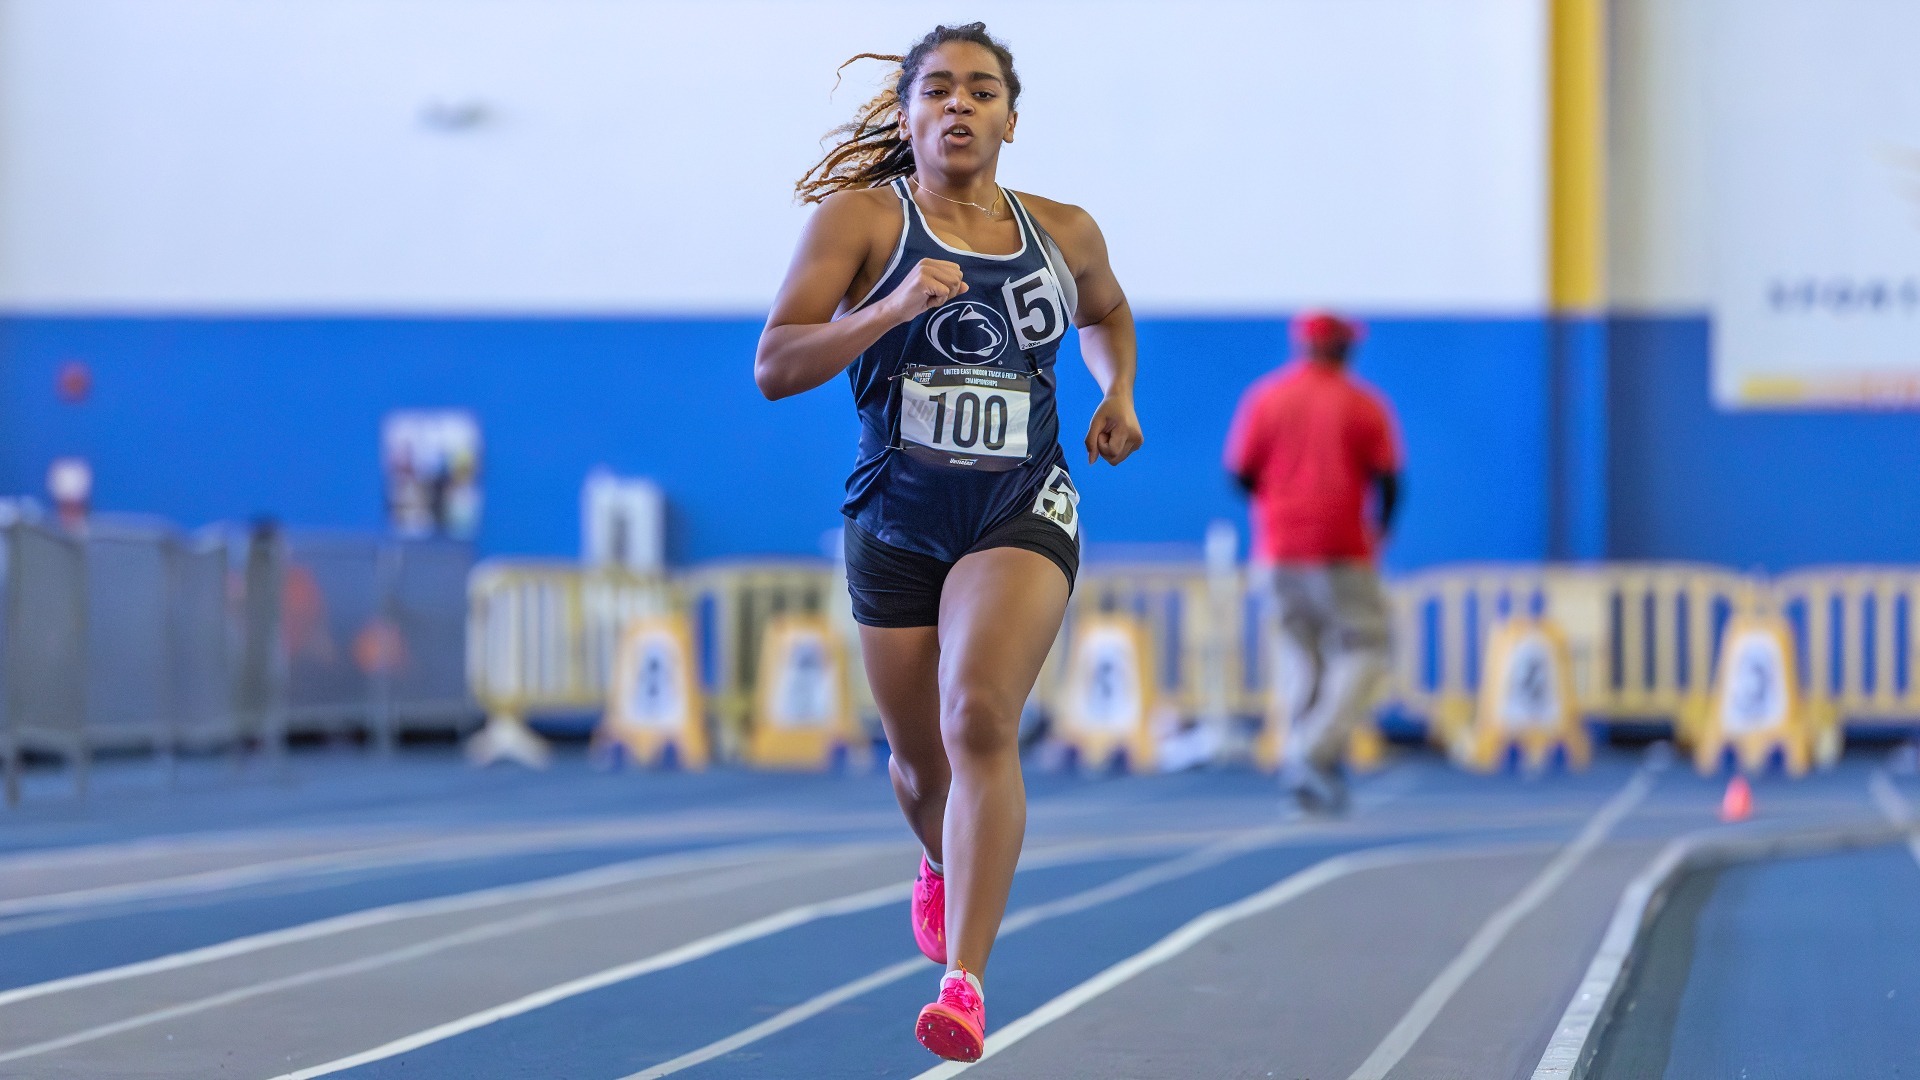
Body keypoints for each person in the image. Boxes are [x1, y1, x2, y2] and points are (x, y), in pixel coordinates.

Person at [754, 23, 1143, 1063]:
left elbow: (1108, 311)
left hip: (1019, 505)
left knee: (977, 718)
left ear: (1012, 118)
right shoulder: (862, 221)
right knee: (921, 767)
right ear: (907, 114)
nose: (959, 105)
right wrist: (884, 311)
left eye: (980, 90)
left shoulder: (1063, 231)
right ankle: (940, 860)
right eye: (937, 89)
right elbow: (776, 365)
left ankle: (963, 983)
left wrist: (1118, 393)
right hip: (895, 517)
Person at [1224, 312, 1401, 814]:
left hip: (1278, 550)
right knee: (1368, 648)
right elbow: (1389, 482)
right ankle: (1314, 752)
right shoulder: (1364, 403)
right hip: (1343, 548)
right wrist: (1379, 531)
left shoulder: (1266, 398)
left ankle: (1299, 761)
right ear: (1345, 349)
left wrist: (1280, 507)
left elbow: (1240, 474)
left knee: (1300, 656)